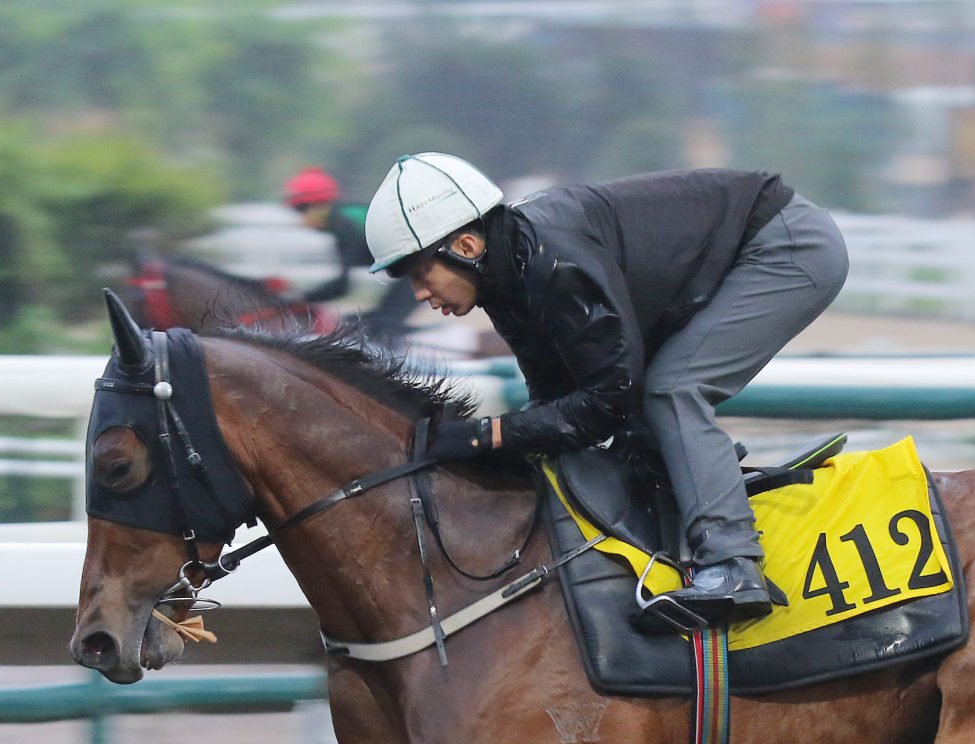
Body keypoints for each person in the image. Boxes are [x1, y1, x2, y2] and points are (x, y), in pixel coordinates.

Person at [363, 152, 849, 627]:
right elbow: (554, 400)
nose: (420, 295)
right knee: (639, 425)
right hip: (730, 258)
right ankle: (690, 518)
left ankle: (732, 564)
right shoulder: (505, 277)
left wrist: (484, 436)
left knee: (671, 391)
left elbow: (609, 399)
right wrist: (494, 445)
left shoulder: (553, 263)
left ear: (466, 246)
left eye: (421, 274)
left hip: (785, 246)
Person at [281, 167, 417, 337]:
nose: (300, 217)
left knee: (382, 325)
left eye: (301, 209)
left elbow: (343, 286)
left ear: (323, 205)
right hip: (413, 268)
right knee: (372, 321)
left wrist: (298, 298)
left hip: (421, 267)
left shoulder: (344, 226)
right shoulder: (344, 219)